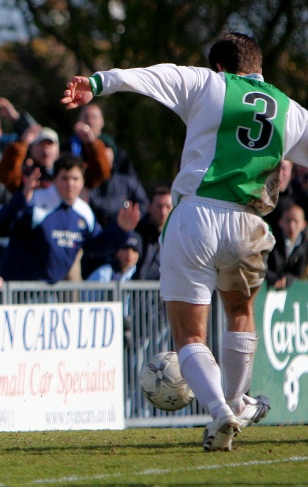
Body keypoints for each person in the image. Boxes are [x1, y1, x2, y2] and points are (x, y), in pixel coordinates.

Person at [61, 31, 306, 451]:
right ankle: (235, 401)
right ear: (260, 67)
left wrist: (98, 83)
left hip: (196, 215)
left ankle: (220, 411)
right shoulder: (290, 110)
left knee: (190, 336)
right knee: (240, 314)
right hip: (249, 222)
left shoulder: (207, 83)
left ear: (220, 67)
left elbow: (154, 76)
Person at [0, 154, 139, 283]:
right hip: (19, 290)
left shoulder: (84, 212)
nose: (70, 184)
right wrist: (20, 201)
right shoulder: (35, 200)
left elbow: (96, 245)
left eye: (75, 179)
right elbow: (0, 225)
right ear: (55, 179)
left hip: (52, 293)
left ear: (83, 182)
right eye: (64, 178)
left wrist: (122, 231)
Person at [266, 199, 308, 290]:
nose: (291, 226)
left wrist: (287, 279)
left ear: (304, 225)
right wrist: (273, 279)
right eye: (288, 221)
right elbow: (261, 265)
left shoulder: (304, 246)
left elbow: (297, 272)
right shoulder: (270, 242)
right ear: (280, 222)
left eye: (296, 221)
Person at [134, 186, 173, 281]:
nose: (163, 212)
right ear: (149, 208)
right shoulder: (138, 233)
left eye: (168, 207)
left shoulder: (179, 237)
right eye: (159, 206)